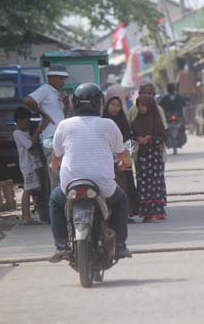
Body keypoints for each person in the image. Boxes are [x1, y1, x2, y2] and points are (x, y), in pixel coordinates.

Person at [48, 83, 132, 262]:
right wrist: (125, 163)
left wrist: (54, 167)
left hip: (70, 185)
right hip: (102, 185)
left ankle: (61, 245)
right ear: (99, 103)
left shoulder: (63, 125)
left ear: (74, 103)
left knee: (55, 202)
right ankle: (120, 245)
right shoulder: (108, 124)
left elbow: (55, 161)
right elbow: (123, 155)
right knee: (121, 201)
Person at [24, 65, 68, 191]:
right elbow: (27, 100)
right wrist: (44, 115)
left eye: (64, 78)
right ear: (51, 78)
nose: (63, 81)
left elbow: (61, 116)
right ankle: (56, 208)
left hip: (61, 138)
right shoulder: (45, 90)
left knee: (62, 177)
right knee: (56, 178)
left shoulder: (57, 93)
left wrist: (66, 105)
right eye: (60, 78)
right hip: (51, 138)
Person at [103, 87, 139, 221]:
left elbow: (128, 140)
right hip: (106, 159)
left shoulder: (123, 121)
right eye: (112, 104)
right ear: (107, 105)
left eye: (118, 105)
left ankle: (125, 214)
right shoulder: (102, 121)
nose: (115, 108)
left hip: (121, 158)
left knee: (124, 187)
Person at [131, 95, 168, 222]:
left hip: (154, 158)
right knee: (143, 183)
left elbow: (163, 138)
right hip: (142, 158)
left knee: (155, 183)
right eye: (139, 105)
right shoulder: (136, 121)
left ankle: (157, 211)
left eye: (143, 105)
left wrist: (150, 139)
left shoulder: (156, 121)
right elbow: (131, 136)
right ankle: (146, 212)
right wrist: (137, 139)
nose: (141, 108)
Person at [13, 107, 49, 224]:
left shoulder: (26, 131)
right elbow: (30, 144)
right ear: (19, 121)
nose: (28, 123)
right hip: (27, 165)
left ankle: (29, 216)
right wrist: (39, 128)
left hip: (33, 164)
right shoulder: (17, 133)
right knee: (27, 190)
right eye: (26, 121)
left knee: (33, 189)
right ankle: (26, 217)